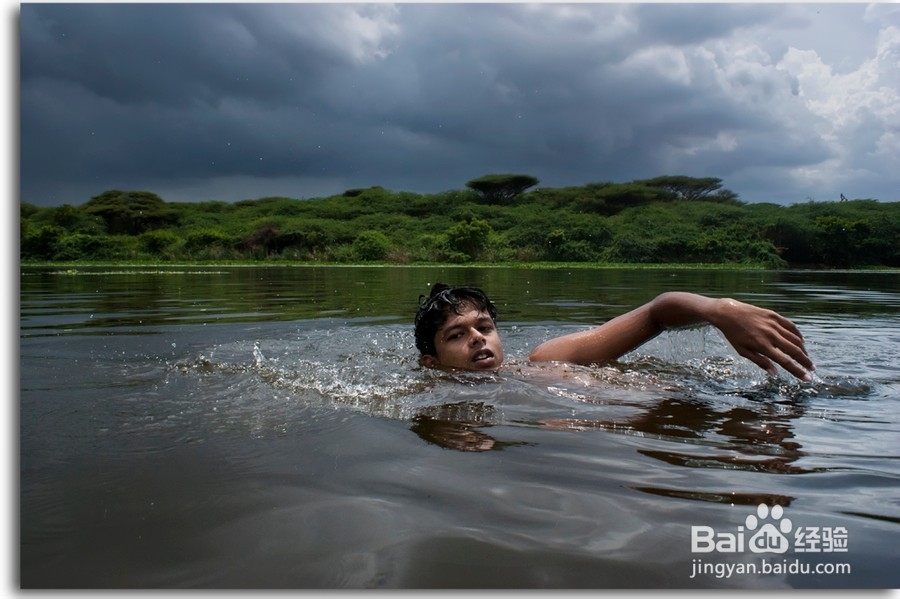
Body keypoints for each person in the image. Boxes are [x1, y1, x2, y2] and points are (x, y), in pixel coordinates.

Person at [414, 282, 815, 382]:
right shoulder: (433, 397)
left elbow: (658, 313)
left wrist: (720, 310)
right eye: (456, 335)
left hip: (701, 397)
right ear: (430, 363)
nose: (478, 338)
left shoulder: (545, 360)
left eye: (484, 327)